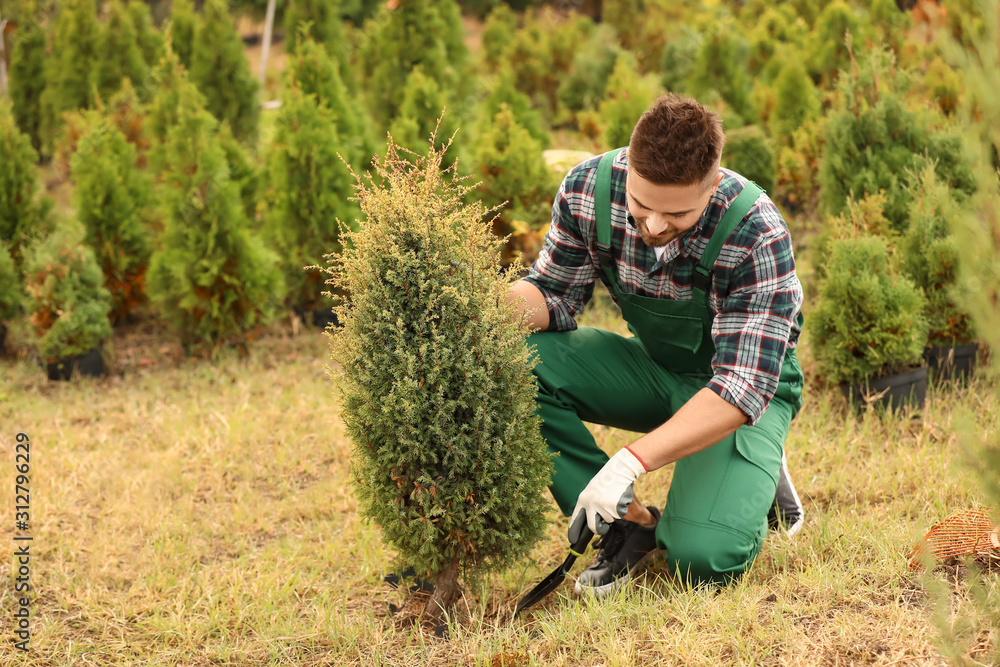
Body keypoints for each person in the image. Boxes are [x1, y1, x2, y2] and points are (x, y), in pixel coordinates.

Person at [508, 93, 805, 596]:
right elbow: (553, 295)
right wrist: (475, 311)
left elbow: (742, 385)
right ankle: (630, 526)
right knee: (514, 363)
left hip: (740, 395)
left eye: (677, 214)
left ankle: (756, 464)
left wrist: (628, 462)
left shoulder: (756, 230)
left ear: (712, 185)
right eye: (641, 205)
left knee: (703, 559)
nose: (653, 225)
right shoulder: (588, 189)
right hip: (657, 369)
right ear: (628, 168)